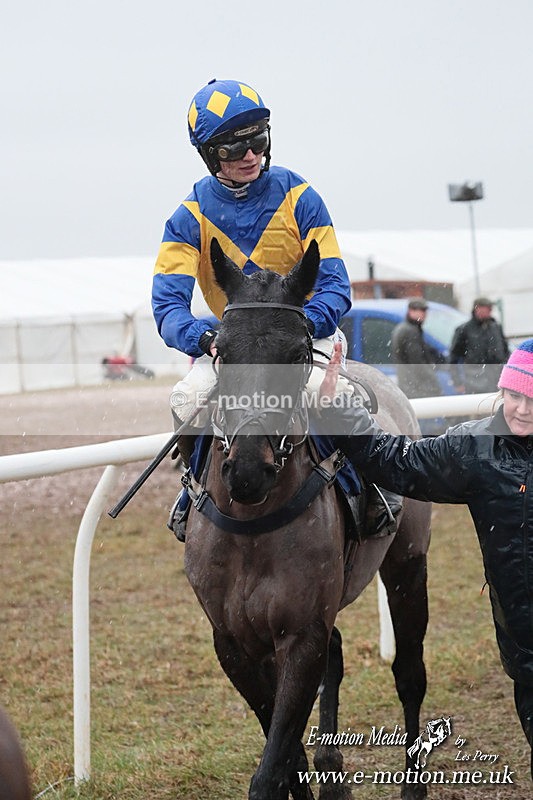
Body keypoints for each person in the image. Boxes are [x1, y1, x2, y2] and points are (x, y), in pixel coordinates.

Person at [151, 78, 400, 540]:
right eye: (233, 149)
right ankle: (193, 491)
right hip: (234, 345)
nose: (250, 155)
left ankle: (374, 488)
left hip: (304, 331)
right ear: (210, 156)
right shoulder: (187, 218)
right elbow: (168, 304)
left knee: (333, 396)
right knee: (185, 398)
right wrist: (204, 339)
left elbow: (334, 283)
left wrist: (302, 325)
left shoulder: (299, 195)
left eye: (257, 141)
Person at [319, 338, 533, 778]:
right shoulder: (477, 450)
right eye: (515, 395)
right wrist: (338, 404)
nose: (523, 410)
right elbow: (394, 459)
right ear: (502, 391)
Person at [450, 297, 510, 394]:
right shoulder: (464, 329)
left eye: (490, 308)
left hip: (497, 380)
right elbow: (453, 358)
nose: (490, 311)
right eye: (487, 308)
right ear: (477, 309)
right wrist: (457, 382)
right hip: (474, 382)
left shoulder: (495, 327)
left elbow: (506, 352)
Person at [391, 298, 445, 399]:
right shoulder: (410, 332)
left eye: (424, 310)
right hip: (416, 387)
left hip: (409, 385)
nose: (424, 314)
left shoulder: (406, 328)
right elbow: (417, 362)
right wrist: (434, 382)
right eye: (420, 310)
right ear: (411, 311)